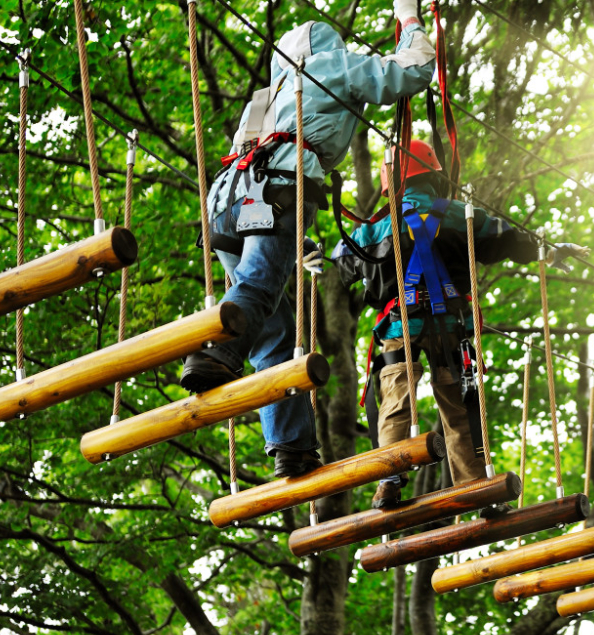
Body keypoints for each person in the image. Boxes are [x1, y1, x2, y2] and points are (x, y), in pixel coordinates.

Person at [180, 2, 436, 479]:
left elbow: (256, 177)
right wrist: (409, 18)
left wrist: (295, 247)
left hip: (226, 204)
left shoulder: (266, 96)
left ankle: (291, 446)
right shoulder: (327, 66)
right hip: (277, 189)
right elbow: (413, 70)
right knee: (258, 286)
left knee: (275, 332)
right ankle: (215, 353)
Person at [333, 140, 589, 513]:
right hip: (452, 326)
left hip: (399, 326)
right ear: (436, 177)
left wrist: (312, 256)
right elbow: (510, 240)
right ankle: (475, 487)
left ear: (391, 185)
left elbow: (343, 262)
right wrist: (549, 251)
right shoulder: (461, 215)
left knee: (395, 399)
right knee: (460, 409)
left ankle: (388, 480)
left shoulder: (373, 231)